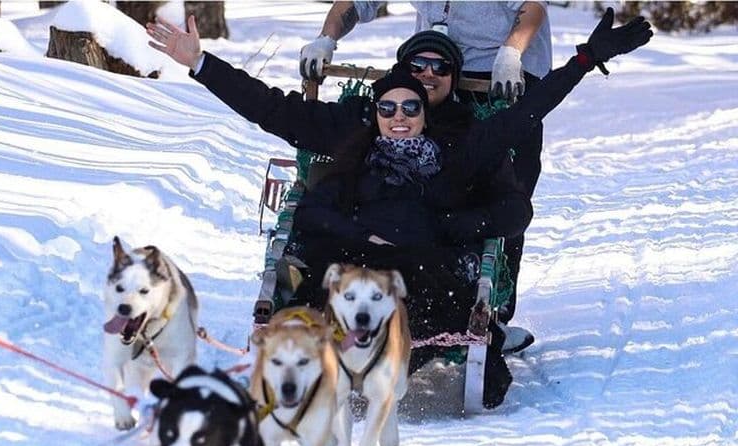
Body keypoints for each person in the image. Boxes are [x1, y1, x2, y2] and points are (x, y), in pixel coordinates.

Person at [146, 11, 652, 406]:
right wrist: (200, 63)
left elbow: (524, 114)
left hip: (422, 273)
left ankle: (392, 357)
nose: (401, 114)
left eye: (415, 103)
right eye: (390, 105)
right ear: (378, 105)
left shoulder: (459, 150)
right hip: (352, 266)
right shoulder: (353, 133)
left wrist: (585, 59)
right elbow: (270, 108)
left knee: (413, 283)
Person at [300, 1, 553, 350]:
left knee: (501, 191)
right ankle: (417, 294)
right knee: (415, 183)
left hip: (501, 76)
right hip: (431, 71)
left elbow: (531, 8)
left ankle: (493, 313)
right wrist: (326, 39)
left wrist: (510, 54)